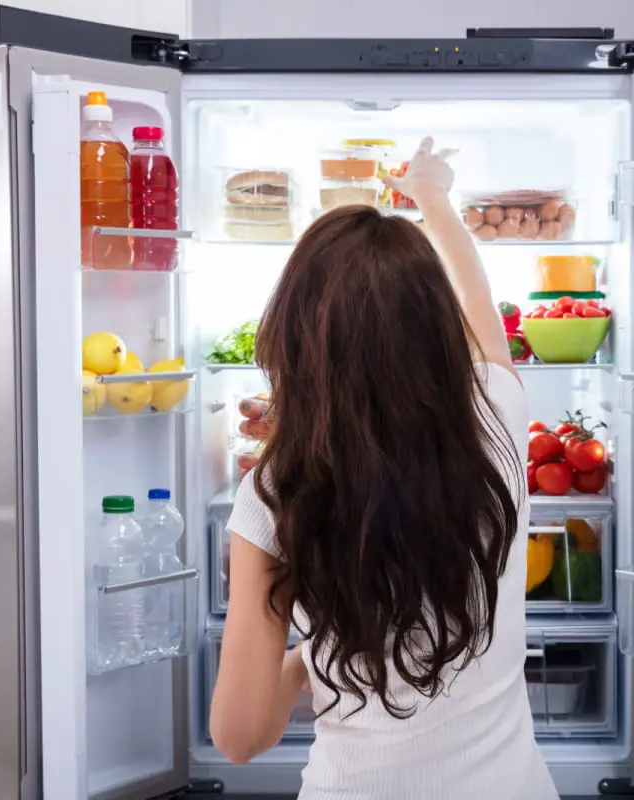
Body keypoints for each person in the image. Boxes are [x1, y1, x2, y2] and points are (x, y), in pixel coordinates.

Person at [209, 138, 556, 799]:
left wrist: (304, 665)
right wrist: (432, 196)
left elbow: (240, 735)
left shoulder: (275, 493)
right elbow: (479, 302)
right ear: (436, 329)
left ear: (295, 338)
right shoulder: (500, 420)